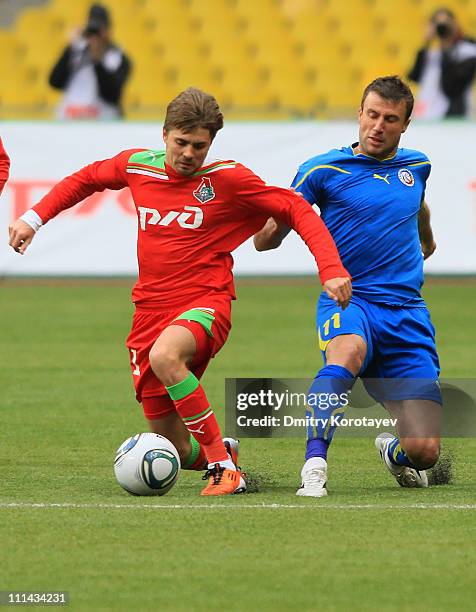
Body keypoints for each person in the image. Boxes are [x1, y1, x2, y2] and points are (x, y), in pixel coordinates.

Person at [8, 87, 351, 496]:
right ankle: (218, 453)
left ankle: (223, 469)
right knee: (174, 446)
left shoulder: (227, 179)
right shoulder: (138, 166)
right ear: (165, 133)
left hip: (206, 301)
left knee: (166, 356)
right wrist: (33, 218)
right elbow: (85, 180)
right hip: (149, 311)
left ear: (212, 143)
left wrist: (330, 268)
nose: (189, 153)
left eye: (199, 146)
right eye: (181, 142)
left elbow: (295, 207)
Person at [254, 76, 441, 497]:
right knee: (348, 351)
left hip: (407, 312)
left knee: (425, 450)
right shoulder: (322, 170)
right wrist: (269, 230)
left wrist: (427, 239)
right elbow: (268, 237)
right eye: (371, 115)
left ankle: (394, 451)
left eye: (390, 119)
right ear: (359, 114)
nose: (378, 126)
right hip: (349, 299)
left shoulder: (417, 165)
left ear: (405, 124)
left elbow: (419, 202)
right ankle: (315, 464)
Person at [49, 3, 131, 119]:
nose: (95, 37)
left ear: (108, 31)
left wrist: (97, 60)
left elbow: (112, 95)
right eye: (91, 31)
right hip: (71, 121)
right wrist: (70, 48)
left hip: (103, 122)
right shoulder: (75, 52)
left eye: (98, 31)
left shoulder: (119, 57)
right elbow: (54, 82)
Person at [408, 7, 476, 119]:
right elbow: (414, 77)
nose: (442, 29)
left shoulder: (467, 50)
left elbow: (452, 86)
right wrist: (426, 42)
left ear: (455, 24)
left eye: (446, 24)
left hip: (455, 113)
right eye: (438, 25)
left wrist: (447, 46)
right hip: (427, 112)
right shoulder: (430, 52)